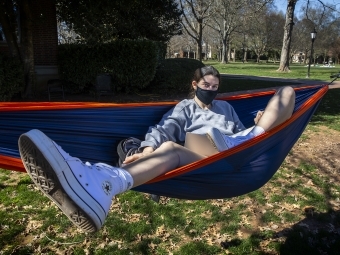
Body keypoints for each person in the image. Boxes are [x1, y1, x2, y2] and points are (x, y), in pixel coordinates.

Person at [18, 66, 295, 233]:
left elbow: (238, 127)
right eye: (206, 85)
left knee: (288, 92)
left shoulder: (226, 108)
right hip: (203, 157)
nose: (211, 90)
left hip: (238, 150)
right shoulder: (185, 107)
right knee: (171, 146)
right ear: (194, 85)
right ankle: (105, 183)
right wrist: (149, 148)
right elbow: (164, 128)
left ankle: (253, 134)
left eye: (215, 86)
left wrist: (257, 125)